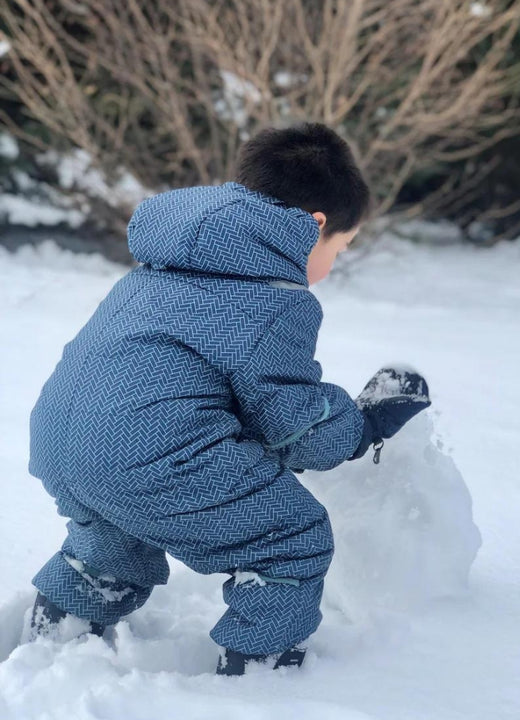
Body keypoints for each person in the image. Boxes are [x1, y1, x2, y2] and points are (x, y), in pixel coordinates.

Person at [26, 122, 431, 676]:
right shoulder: (274, 299)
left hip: (64, 443)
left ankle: (55, 636)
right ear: (315, 228)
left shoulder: (167, 261)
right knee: (292, 535)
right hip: (145, 457)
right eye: (341, 246)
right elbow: (291, 425)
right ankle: (257, 683)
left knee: (113, 533)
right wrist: (360, 426)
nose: (333, 264)